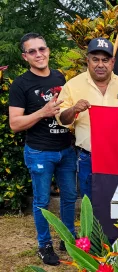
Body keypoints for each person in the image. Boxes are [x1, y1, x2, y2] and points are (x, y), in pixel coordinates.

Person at [8, 33, 77, 266]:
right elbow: (14, 124)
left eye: (42, 49)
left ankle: (68, 239)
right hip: (39, 152)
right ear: (25, 56)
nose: (39, 54)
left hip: (66, 150)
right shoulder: (20, 84)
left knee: (69, 197)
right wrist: (42, 113)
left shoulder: (60, 76)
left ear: (48, 51)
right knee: (41, 201)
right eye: (32, 51)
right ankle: (44, 245)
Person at [57, 37, 118, 200]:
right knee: (91, 204)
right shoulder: (72, 85)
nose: (100, 65)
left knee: (116, 203)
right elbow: (63, 120)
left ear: (113, 62)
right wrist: (74, 109)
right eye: (95, 60)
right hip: (88, 158)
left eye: (105, 60)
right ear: (87, 61)